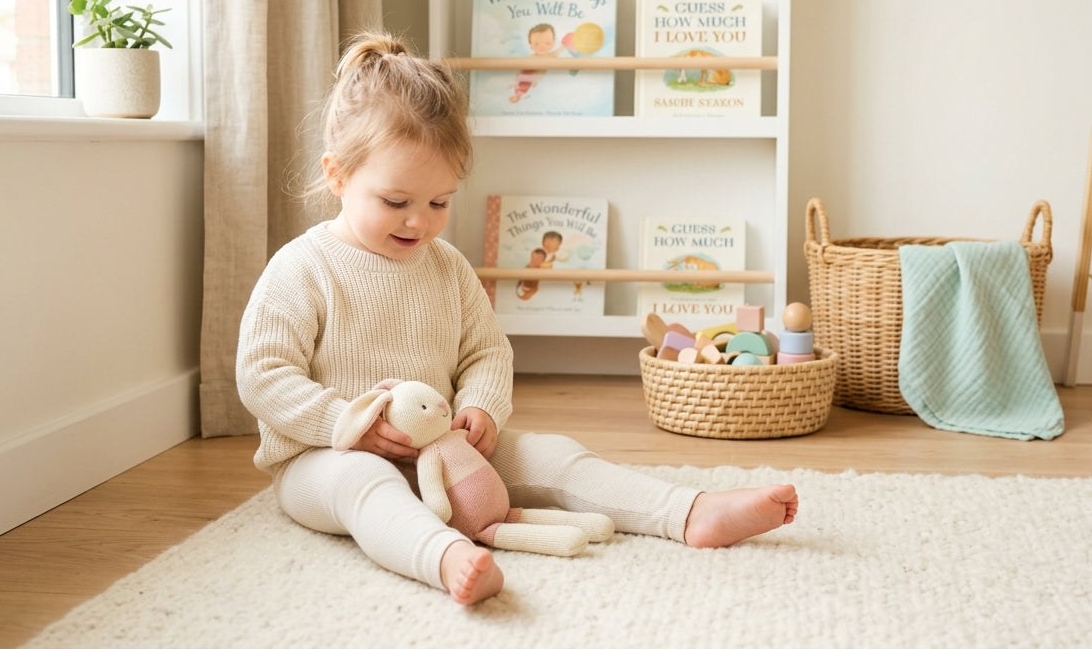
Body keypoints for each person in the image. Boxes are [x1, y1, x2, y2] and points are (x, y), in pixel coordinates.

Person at [236, 30, 798, 606]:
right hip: (325, 462)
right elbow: (262, 373)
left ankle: (688, 511)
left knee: (551, 453)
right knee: (367, 482)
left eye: (439, 203)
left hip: (444, 452)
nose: (418, 224)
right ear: (337, 176)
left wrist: (481, 405)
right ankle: (446, 556)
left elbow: (486, 351)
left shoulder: (446, 267)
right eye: (395, 202)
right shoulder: (304, 266)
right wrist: (345, 425)